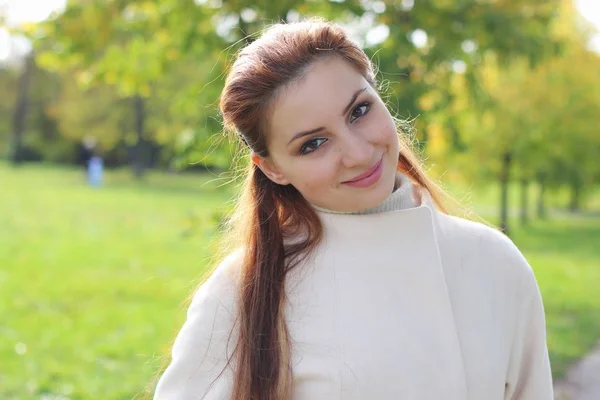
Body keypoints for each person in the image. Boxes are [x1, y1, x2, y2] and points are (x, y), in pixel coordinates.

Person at [153, 18, 553, 400]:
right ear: (273, 169)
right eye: (313, 144)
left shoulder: (494, 263)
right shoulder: (245, 290)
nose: (359, 154)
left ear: (379, 95)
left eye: (359, 111)